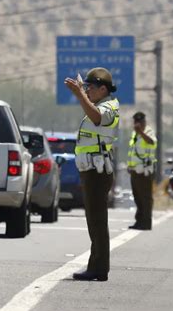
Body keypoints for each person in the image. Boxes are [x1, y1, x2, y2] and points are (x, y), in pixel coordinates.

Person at [64, 67, 119, 282]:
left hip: (98, 171)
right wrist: (82, 96)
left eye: (91, 88)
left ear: (103, 88)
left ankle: (98, 267)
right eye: (85, 88)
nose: (87, 91)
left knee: (97, 220)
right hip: (91, 170)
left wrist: (79, 95)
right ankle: (96, 266)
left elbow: (97, 118)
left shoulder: (109, 107)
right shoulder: (98, 104)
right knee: (94, 220)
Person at [127, 112, 157, 230]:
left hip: (144, 171)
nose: (137, 124)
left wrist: (141, 132)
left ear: (144, 122)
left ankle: (146, 223)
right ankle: (139, 221)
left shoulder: (148, 132)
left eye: (139, 122)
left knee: (145, 198)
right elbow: (133, 151)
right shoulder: (135, 134)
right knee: (137, 197)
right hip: (135, 170)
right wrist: (129, 166)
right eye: (135, 122)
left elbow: (152, 142)